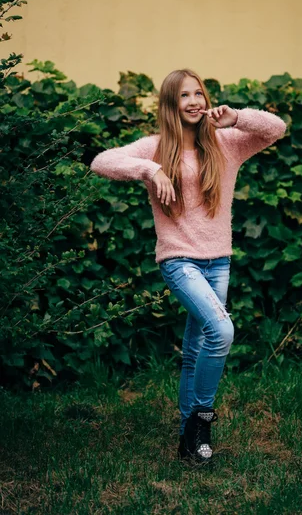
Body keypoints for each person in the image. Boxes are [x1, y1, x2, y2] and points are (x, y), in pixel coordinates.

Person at [90, 68, 286, 465]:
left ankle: (186, 439)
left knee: (197, 350)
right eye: (184, 96)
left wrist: (239, 118)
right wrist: (151, 169)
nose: (195, 101)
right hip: (179, 260)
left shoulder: (226, 143)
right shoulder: (156, 148)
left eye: (199, 93)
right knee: (222, 330)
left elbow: (276, 128)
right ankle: (202, 422)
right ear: (170, 104)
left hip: (219, 262)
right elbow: (101, 162)